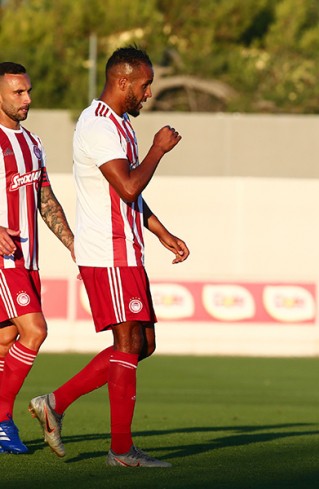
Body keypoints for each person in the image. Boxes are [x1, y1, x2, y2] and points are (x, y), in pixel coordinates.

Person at [28, 46, 189, 467]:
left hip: (127, 250)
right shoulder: (98, 125)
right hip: (108, 251)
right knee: (127, 344)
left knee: (143, 345)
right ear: (122, 82)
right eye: (145, 85)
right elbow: (129, 185)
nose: (148, 93)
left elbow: (128, 193)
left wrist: (160, 231)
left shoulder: (120, 124)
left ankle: (54, 403)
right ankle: (120, 450)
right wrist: (158, 150)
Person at [0, 62, 74, 454]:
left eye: (28, 90)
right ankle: (1, 420)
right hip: (4, 259)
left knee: (6, 339)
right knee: (35, 331)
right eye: (18, 92)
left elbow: (45, 198)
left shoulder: (32, 142)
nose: (27, 98)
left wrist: (74, 243)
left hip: (28, 259)